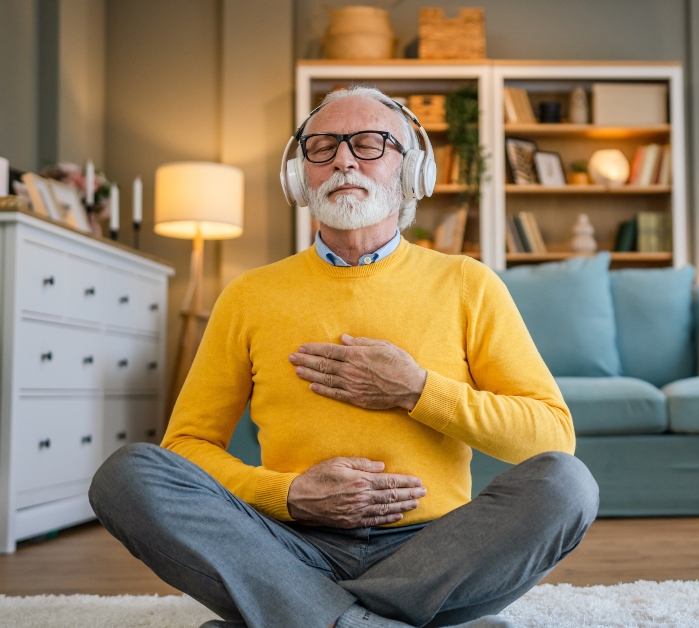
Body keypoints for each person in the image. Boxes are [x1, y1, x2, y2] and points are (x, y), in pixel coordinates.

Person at [88, 86, 599, 628]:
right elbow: (187, 447)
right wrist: (289, 494)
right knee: (127, 475)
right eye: (323, 146)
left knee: (567, 485)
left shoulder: (467, 284)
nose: (344, 159)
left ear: (411, 172)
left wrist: (417, 390)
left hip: (434, 555)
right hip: (287, 546)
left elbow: (551, 437)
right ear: (299, 175)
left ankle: (303, 614)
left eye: (370, 144)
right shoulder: (248, 295)